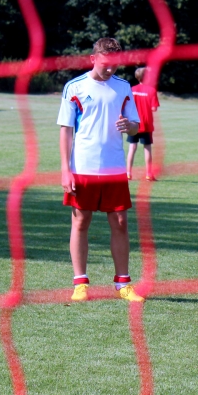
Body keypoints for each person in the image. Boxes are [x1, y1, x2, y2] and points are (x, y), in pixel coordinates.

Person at [57, 37, 145, 303]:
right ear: (94, 59)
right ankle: (80, 283)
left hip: (115, 168)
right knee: (80, 221)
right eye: (106, 64)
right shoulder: (74, 87)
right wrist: (65, 169)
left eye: (116, 65)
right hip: (83, 166)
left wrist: (129, 125)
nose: (111, 70)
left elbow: (136, 126)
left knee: (120, 223)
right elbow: (66, 130)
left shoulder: (124, 87)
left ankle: (123, 283)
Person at [126, 66, 160, 181]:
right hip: (146, 123)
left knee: (132, 147)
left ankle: (128, 173)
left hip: (133, 123)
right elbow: (154, 108)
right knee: (147, 148)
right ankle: (149, 174)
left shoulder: (131, 89)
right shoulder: (151, 90)